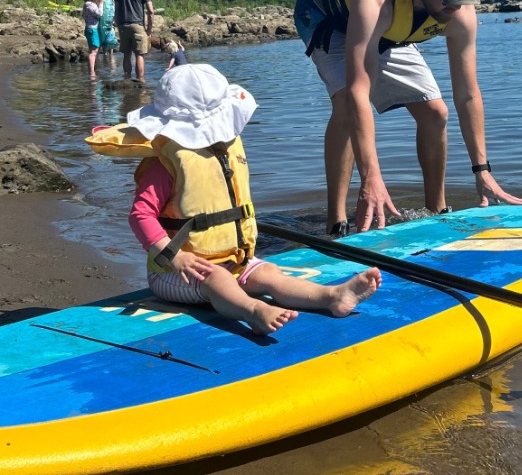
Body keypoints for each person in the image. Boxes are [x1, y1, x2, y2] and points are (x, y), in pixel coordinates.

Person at [88, 64, 382, 335]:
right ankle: (253, 310)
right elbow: (141, 216)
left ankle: (332, 297)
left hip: (234, 261)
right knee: (216, 279)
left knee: (268, 272)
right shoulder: (163, 163)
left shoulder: (224, 149)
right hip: (176, 274)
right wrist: (175, 257)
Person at [294, 0, 522, 237]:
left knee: (435, 113)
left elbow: (467, 94)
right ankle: (336, 225)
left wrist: (482, 171)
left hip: (391, 26)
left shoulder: (458, 11)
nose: (456, 5)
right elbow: (358, 94)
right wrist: (371, 177)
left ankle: (436, 211)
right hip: (327, 15)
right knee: (345, 105)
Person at [114, 0, 155, 83]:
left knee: (126, 54)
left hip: (123, 25)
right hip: (138, 25)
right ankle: (140, 80)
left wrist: (118, 25)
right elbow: (151, 11)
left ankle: (127, 80)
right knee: (139, 55)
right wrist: (149, 29)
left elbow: (116, 11)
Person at [82, 0, 104, 79]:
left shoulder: (88, 4)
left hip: (91, 28)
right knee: (93, 52)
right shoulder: (89, 5)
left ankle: (93, 69)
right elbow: (99, 14)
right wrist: (101, 4)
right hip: (92, 29)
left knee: (95, 50)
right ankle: (92, 73)